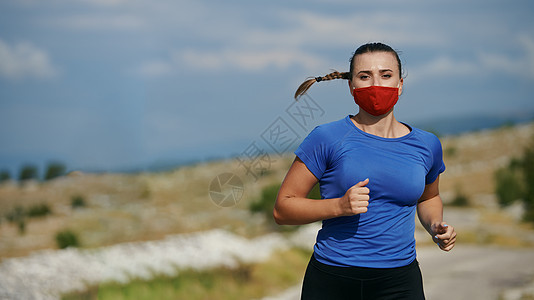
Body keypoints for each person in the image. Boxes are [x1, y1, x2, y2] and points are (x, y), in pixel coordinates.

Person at [273, 42, 456, 300]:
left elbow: (429, 197)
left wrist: (436, 225)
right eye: (364, 76)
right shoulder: (326, 138)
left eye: (386, 75)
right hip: (333, 280)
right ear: (351, 86)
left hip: (400, 282)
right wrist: (339, 206)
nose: (376, 85)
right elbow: (282, 209)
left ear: (400, 84)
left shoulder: (427, 144)